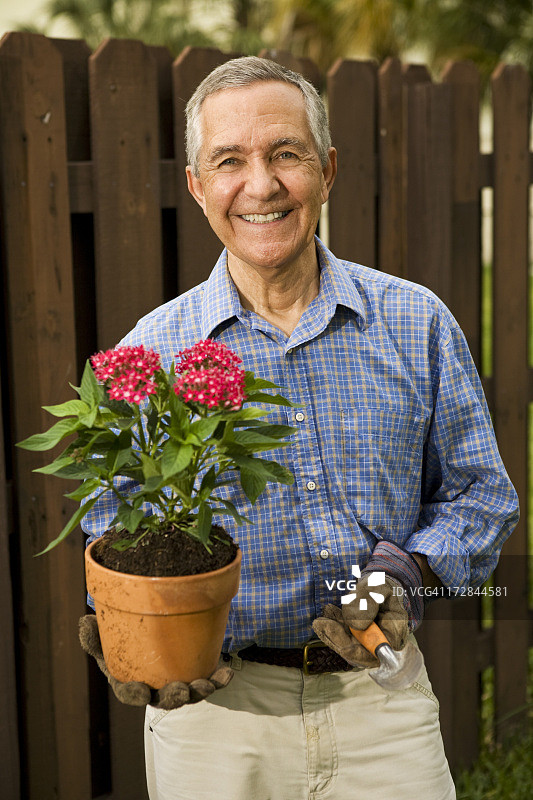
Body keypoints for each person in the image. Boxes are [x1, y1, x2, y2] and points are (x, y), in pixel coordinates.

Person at [81, 56, 519, 800]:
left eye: (286, 153)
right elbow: (112, 530)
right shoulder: (150, 355)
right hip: (216, 717)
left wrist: (404, 575)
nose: (261, 185)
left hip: (380, 694)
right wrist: (125, 630)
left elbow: (481, 496)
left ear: (327, 170)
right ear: (197, 186)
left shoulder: (414, 322)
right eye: (229, 161)